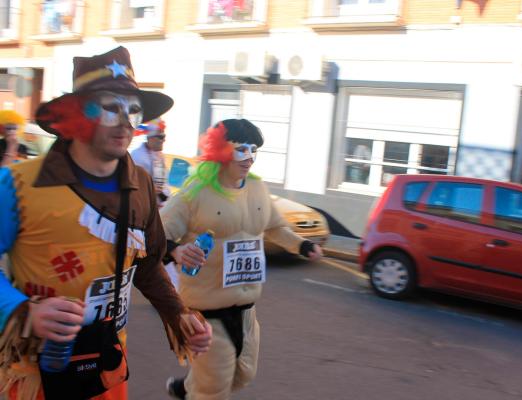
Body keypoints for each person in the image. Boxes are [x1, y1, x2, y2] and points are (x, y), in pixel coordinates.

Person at [0, 46, 212, 400]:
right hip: (35, 373)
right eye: (112, 107)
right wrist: (23, 311)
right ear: (78, 113)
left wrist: (179, 315)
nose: (126, 121)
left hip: (107, 368)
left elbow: (146, 265)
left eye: (133, 110)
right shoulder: (18, 184)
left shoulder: (140, 183)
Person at [161, 119, 323, 400]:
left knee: (243, 374)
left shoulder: (258, 190)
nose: (249, 157)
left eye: (253, 150)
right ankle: (198, 390)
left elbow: (275, 227)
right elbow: (154, 237)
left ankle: (188, 388)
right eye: (241, 149)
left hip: (247, 309)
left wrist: (302, 245)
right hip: (205, 312)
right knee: (215, 388)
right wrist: (175, 250)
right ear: (220, 151)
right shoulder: (195, 193)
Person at [130, 118, 170, 206]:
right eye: (161, 137)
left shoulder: (160, 156)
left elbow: (165, 184)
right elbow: (131, 184)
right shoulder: (137, 156)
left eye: (164, 136)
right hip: (142, 207)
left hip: (159, 209)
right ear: (150, 138)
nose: (164, 140)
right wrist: (149, 190)